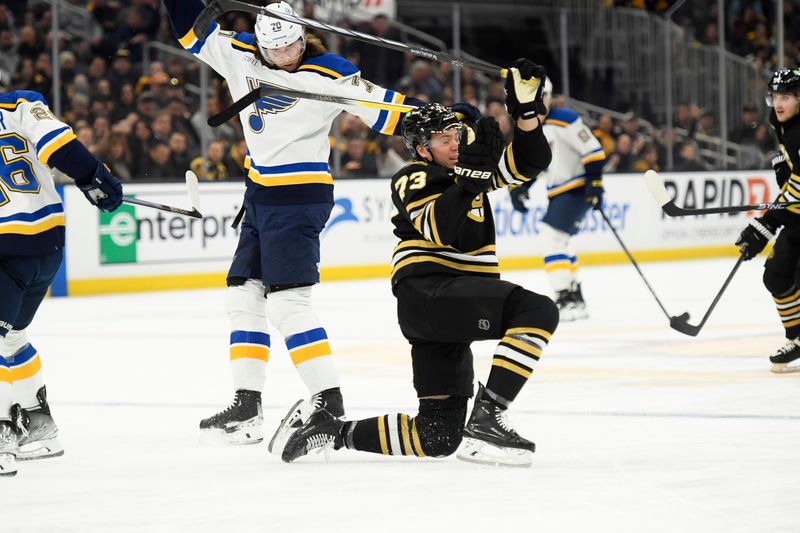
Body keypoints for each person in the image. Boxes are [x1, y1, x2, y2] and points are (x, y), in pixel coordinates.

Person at [162, 0, 423, 444]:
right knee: (243, 297)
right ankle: (246, 405)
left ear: (304, 38)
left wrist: (442, 116)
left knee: (288, 304)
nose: (284, 58)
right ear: (260, 43)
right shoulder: (238, 51)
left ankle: (329, 402)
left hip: (300, 198)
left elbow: (389, 110)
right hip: (260, 194)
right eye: (275, 51)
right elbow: (189, 28)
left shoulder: (331, 72)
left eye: (291, 48)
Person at [280, 60, 558, 467]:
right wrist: (469, 177)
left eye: (457, 135)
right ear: (423, 150)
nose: (455, 144)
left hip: (450, 305)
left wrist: (526, 115)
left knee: (437, 435)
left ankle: (332, 431)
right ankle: (489, 415)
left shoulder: (471, 172)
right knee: (536, 310)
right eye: (443, 139)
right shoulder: (415, 176)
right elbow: (440, 228)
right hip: (431, 294)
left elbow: (531, 161)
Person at [0, 88, 123, 476]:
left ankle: (3, 433)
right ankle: (40, 426)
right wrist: (94, 177)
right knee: (13, 337)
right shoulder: (18, 104)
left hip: (5, 247)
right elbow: (58, 144)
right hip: (47, 246)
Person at [508, 78, 607, 321]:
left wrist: (594, 184)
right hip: (559, 191)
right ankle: (574, 297)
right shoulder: (532, 128)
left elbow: (593, 151)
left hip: (575, 188)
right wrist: (522, 187)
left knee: (552, 237)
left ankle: (565, 296)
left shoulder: (566, 120)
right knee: (560, 242)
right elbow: (538, 163)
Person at [735, 68, 800, 374]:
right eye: (775, 96)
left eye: (785, 96)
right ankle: (797, 337)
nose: (778, 102)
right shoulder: (784, 125)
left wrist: (765, 224)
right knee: (777, 274)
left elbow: (796, 195)